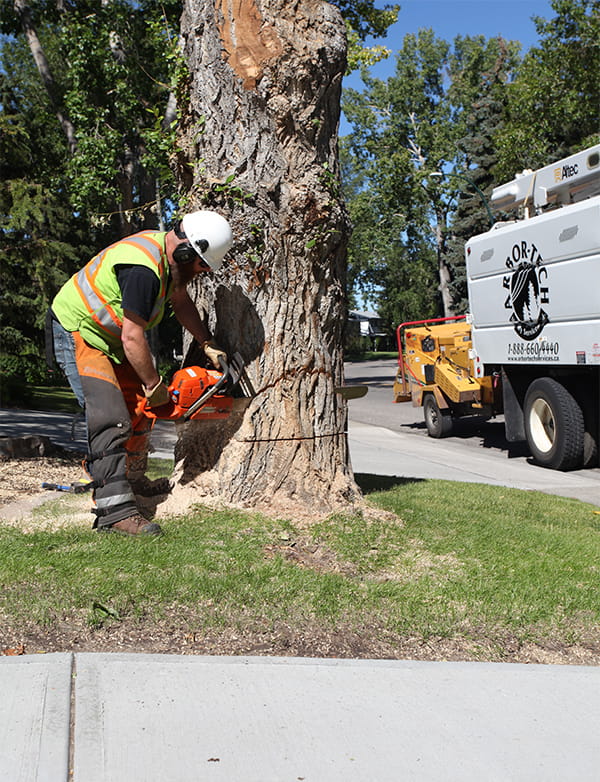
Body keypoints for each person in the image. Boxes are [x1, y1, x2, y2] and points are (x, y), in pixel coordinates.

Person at [50, 210, 233, 536]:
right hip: (78, 330)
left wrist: (207, 342)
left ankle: (133, 481)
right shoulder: (143, 270)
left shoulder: (168, 264)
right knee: (111, 416)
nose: (203, 272)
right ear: (186, 252)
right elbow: (132, 337)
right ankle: (114, 512)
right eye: (202, 265)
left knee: (141, 409)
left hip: (108, 338)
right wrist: (154, 384)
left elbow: (180, 302)